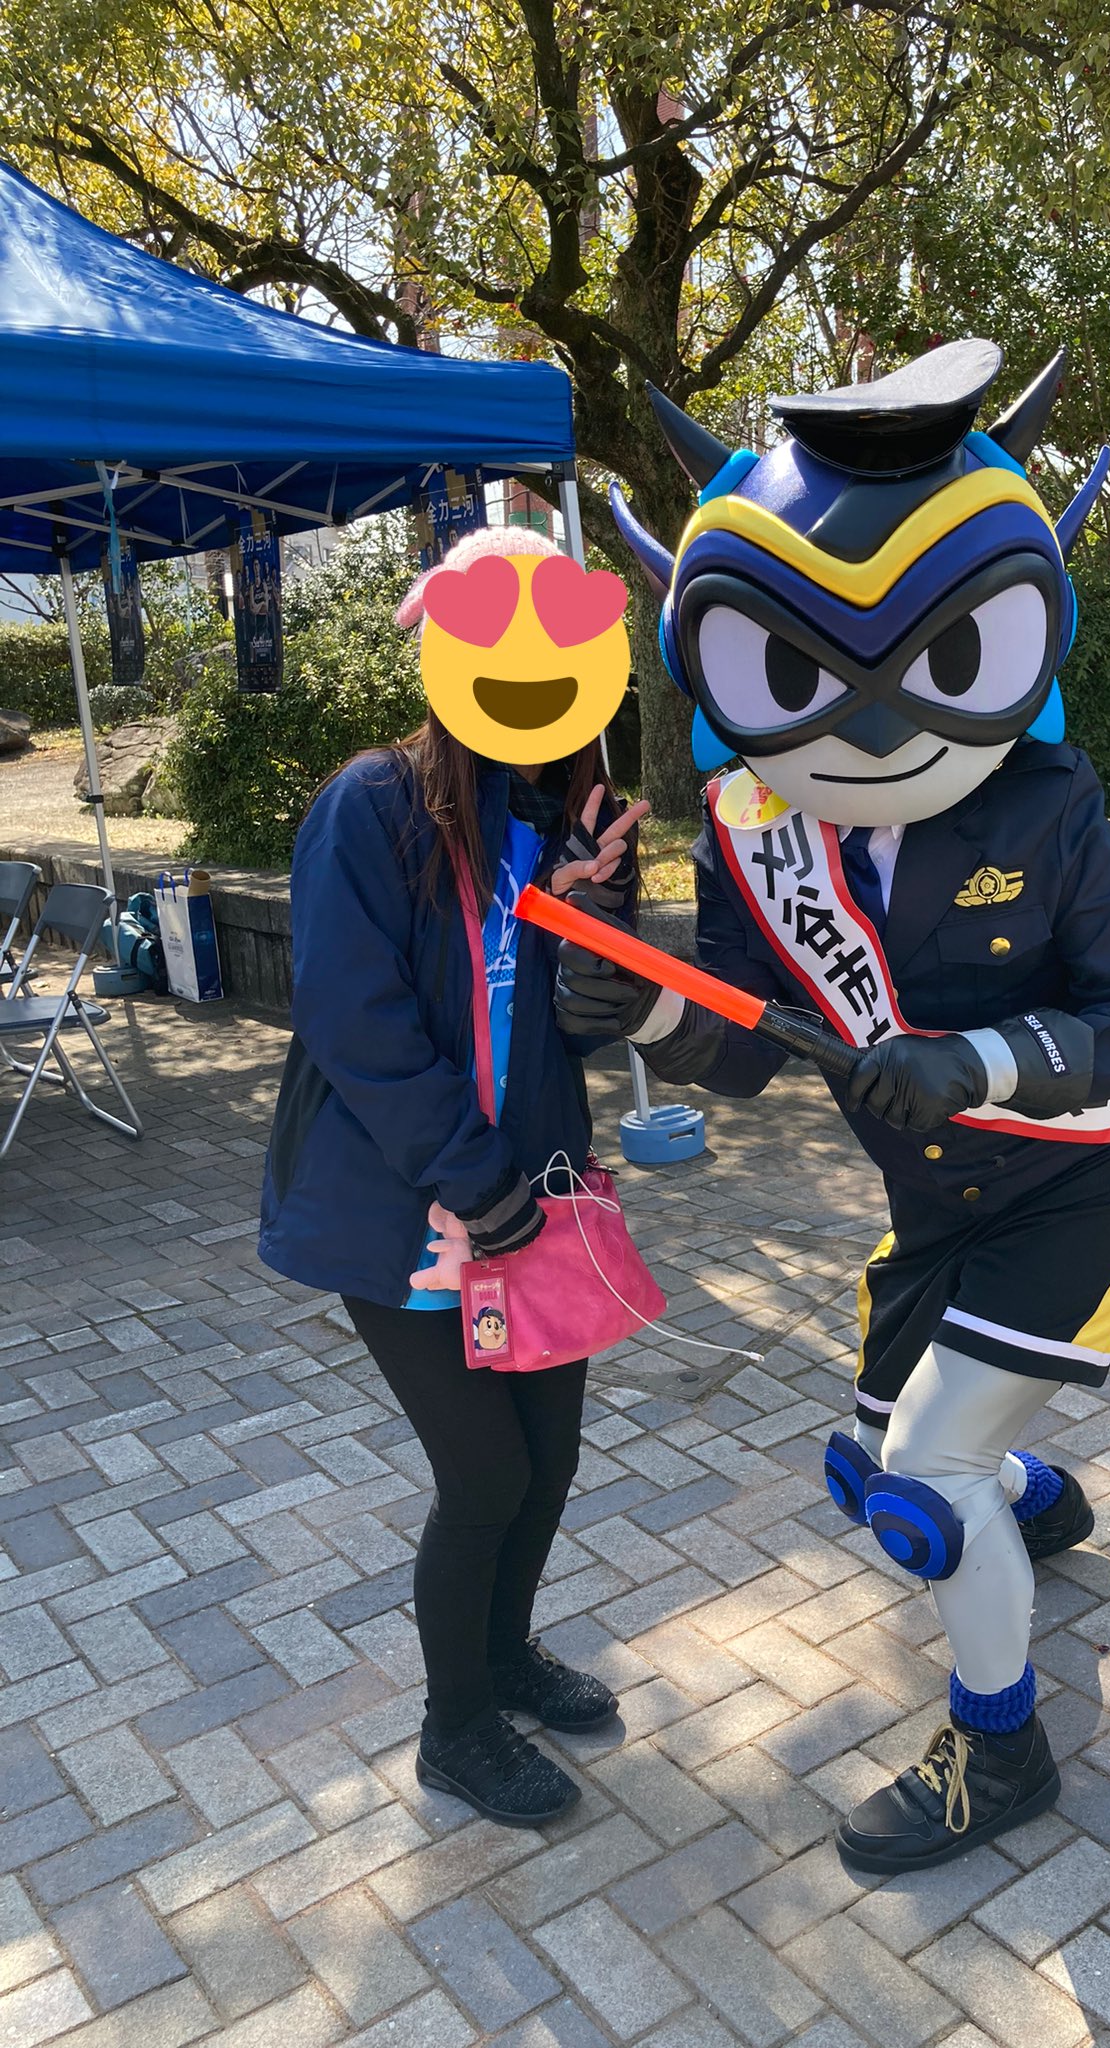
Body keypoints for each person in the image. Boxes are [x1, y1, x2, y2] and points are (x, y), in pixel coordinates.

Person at [561, 341, 1110, 1872]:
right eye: (797, 668)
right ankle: (1032, 1498)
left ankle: (1001, 1748)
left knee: (919, 1482)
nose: (861, 716)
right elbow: (747, 1040)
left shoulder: (1048, 807)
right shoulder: (750, 819)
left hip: (1083, 1181)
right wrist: (640, 1007)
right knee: (875, 1458)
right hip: (936, 1202)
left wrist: (973, 1063)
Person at [260, 524, 646, 1829]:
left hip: (531, 1203)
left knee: (548, 1462)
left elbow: (585, 1024)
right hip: (409, 1211)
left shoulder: (559, 816)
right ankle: (455, 1727)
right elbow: (353, 1019)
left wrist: (596, 914)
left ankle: (504, 1658)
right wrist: (477, 1182)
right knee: (484, 1475)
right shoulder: (371, 806)